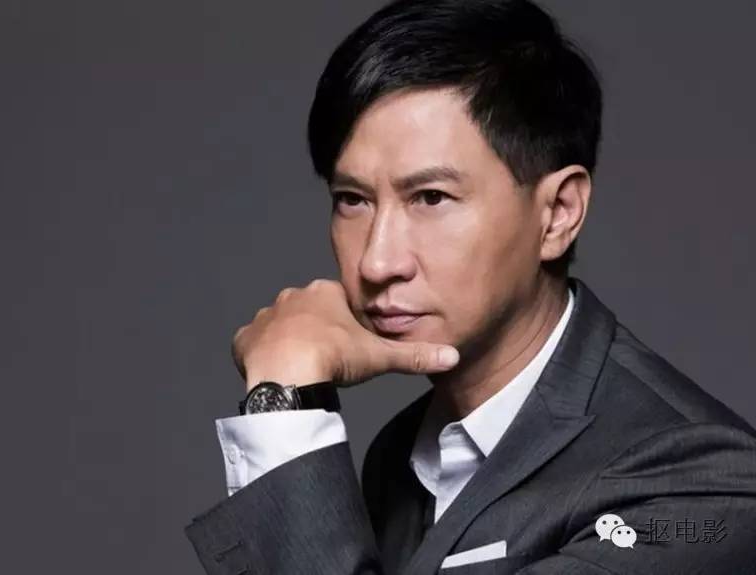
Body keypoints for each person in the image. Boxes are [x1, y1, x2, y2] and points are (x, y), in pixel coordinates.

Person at [185, 0, 756, 573]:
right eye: (352, 200)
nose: (377, 261)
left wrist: (283, 407)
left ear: (558, 213)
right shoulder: (401, 455)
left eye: (431, 198)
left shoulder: (699, 487)